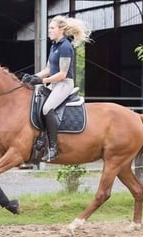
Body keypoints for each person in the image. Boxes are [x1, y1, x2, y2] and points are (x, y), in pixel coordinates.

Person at [24, 15, 92, 162]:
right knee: (36, 102)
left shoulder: (66, 47)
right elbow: (48, 68)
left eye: (52, 28)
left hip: (64, 84)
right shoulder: (54, 46)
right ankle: (40, 139)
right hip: (53, 83)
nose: (49, 31)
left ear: (61, 30)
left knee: (47, 108)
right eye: (49, 28)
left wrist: (43, 80)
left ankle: (53, 148)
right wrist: (33, 77)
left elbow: (62, 74)